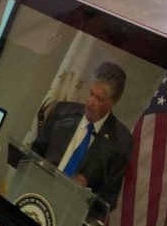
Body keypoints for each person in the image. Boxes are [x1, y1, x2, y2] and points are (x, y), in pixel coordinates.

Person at [31, 62, 134, 215]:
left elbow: (109, 199)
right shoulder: (62, 111)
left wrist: (87, 195)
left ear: (114, 101)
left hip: (70, 217)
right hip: (34, 198)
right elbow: (34, 152)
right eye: (91, 93)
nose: (91, 102)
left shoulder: (121, 141)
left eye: (99, 98)